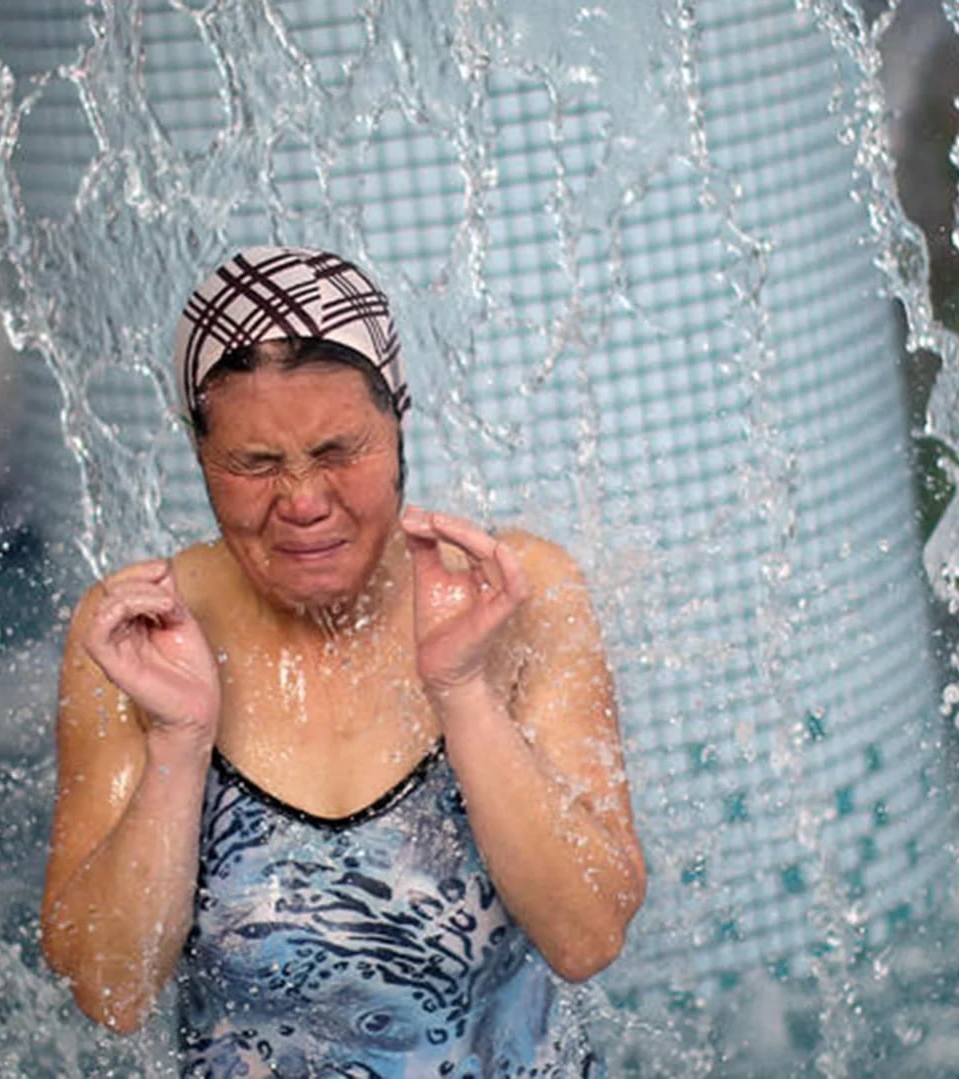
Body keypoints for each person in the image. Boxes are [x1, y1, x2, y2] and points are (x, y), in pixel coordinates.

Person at [40, 246, 646, 1075]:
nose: (302, 501)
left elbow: (588, 935)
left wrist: (461, 692)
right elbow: (112, 990)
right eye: (254, 464)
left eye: (336, 451)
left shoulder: (513, 594)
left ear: (398, 423)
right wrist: (178, 745)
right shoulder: (136, 631)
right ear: (200, 457)